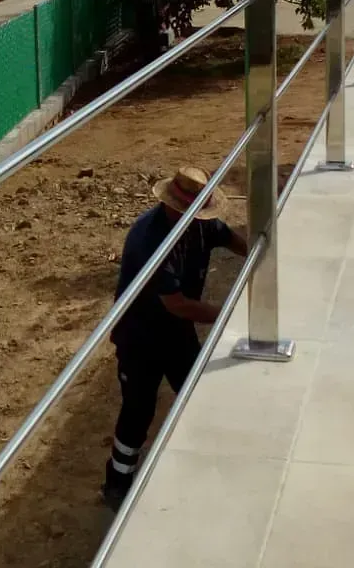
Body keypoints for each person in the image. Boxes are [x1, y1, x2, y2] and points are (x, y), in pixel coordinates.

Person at [102, 166, 247, 511]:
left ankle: (197, 465)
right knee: (138, 410)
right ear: (172, 206)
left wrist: (261, 252)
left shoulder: (201, 225)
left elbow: (231, 238)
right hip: (140, 336)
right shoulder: (150, 240)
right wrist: (229, 312)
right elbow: (177, 304)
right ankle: (117, 483)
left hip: (176, 333)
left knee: (196, 395)